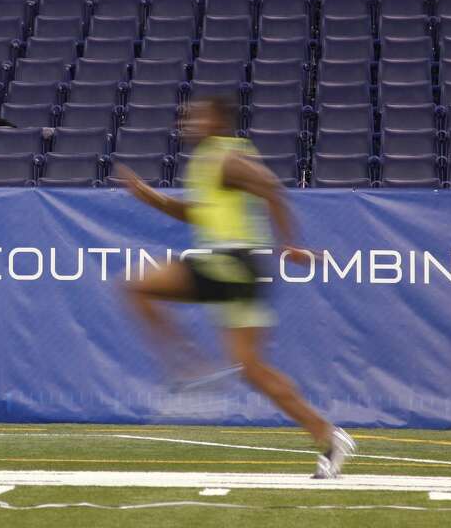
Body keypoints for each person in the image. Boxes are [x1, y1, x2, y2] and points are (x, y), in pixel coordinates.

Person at [116, 96, 357, 479]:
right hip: (243, 269)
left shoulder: (225, 157)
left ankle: (189, 367)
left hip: (230, 262)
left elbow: (270, 187)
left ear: (218, 121)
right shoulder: (211, 161)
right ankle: (328, 436)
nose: (189, 120)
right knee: (253, 369)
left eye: (198, 115)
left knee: (135, 285)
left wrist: (289, 243)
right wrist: (150, 197)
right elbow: (195, 211)